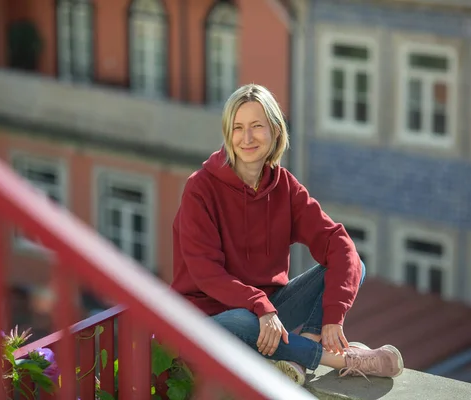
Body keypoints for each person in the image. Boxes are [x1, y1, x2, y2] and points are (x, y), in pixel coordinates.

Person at [171, 84, 404, 385]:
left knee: (353, 264)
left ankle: (298, 354)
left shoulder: (284, 187)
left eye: (257, 126)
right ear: (228, 133)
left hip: (269, 315)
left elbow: (337, 243)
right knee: (243, 319)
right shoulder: (200, 189)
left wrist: (333, 315)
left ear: (276, 132)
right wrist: (259, 304)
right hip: (209, 320)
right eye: (238, 128)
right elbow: (206, 272)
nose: (247, 138)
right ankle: (342, 358)